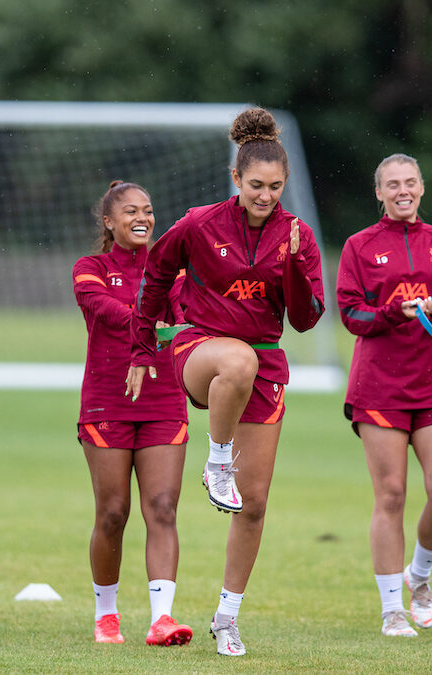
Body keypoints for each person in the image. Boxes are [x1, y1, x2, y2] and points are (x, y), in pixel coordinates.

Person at [127, 107, 325, 656]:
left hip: (265, 362)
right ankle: (216, 459)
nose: (266, 196)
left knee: (255, 502)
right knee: (238, 360)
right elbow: (155, 276)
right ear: (236, 180)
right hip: (200, 350)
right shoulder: (198, 223)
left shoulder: (297, 236)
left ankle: (227, 617)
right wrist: (144, 347)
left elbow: (307, 319)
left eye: (275, 187)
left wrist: (292, 269)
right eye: (256, 185)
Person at [336, 153, 432, 638]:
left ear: (422, 188)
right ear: (379, 192)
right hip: (380, 389)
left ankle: (420, 577)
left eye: (410, 182)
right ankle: (392, 610)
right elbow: (351, 316)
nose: (402, 190)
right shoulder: (359, 246)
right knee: (390, 495)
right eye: (393, 184)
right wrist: (395, 312)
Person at [73, 180, 193, 647]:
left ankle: (162, 619)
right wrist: (147, 319)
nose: (141, 217)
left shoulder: (173, 271)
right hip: (107, 402)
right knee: (113, 513)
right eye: (129, 211)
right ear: (109, 221)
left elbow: (186, 312)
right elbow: (101, 309)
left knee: (162, 508)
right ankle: (107, 616)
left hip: (164, 401)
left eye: (147, 209)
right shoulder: (91, 268)